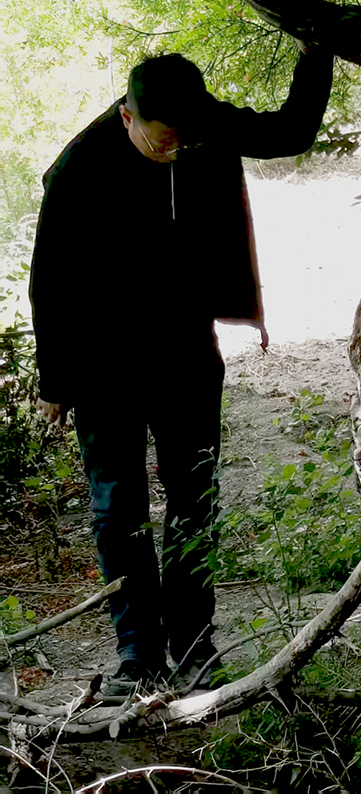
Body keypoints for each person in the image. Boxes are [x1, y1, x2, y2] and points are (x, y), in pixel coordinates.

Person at [30, 44, 333, 697]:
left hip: (186, 356)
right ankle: (138, 654)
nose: (177, 150)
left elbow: (288, 131)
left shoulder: (201, 127)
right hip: (102, 363)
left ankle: (195, 647)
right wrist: (55, 380)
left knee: (195, 500)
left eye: (186, 139)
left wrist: (316, 51)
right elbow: (49, 283)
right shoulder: (79, 168)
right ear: (127, 116)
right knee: (119, 509)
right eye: (164, 140)